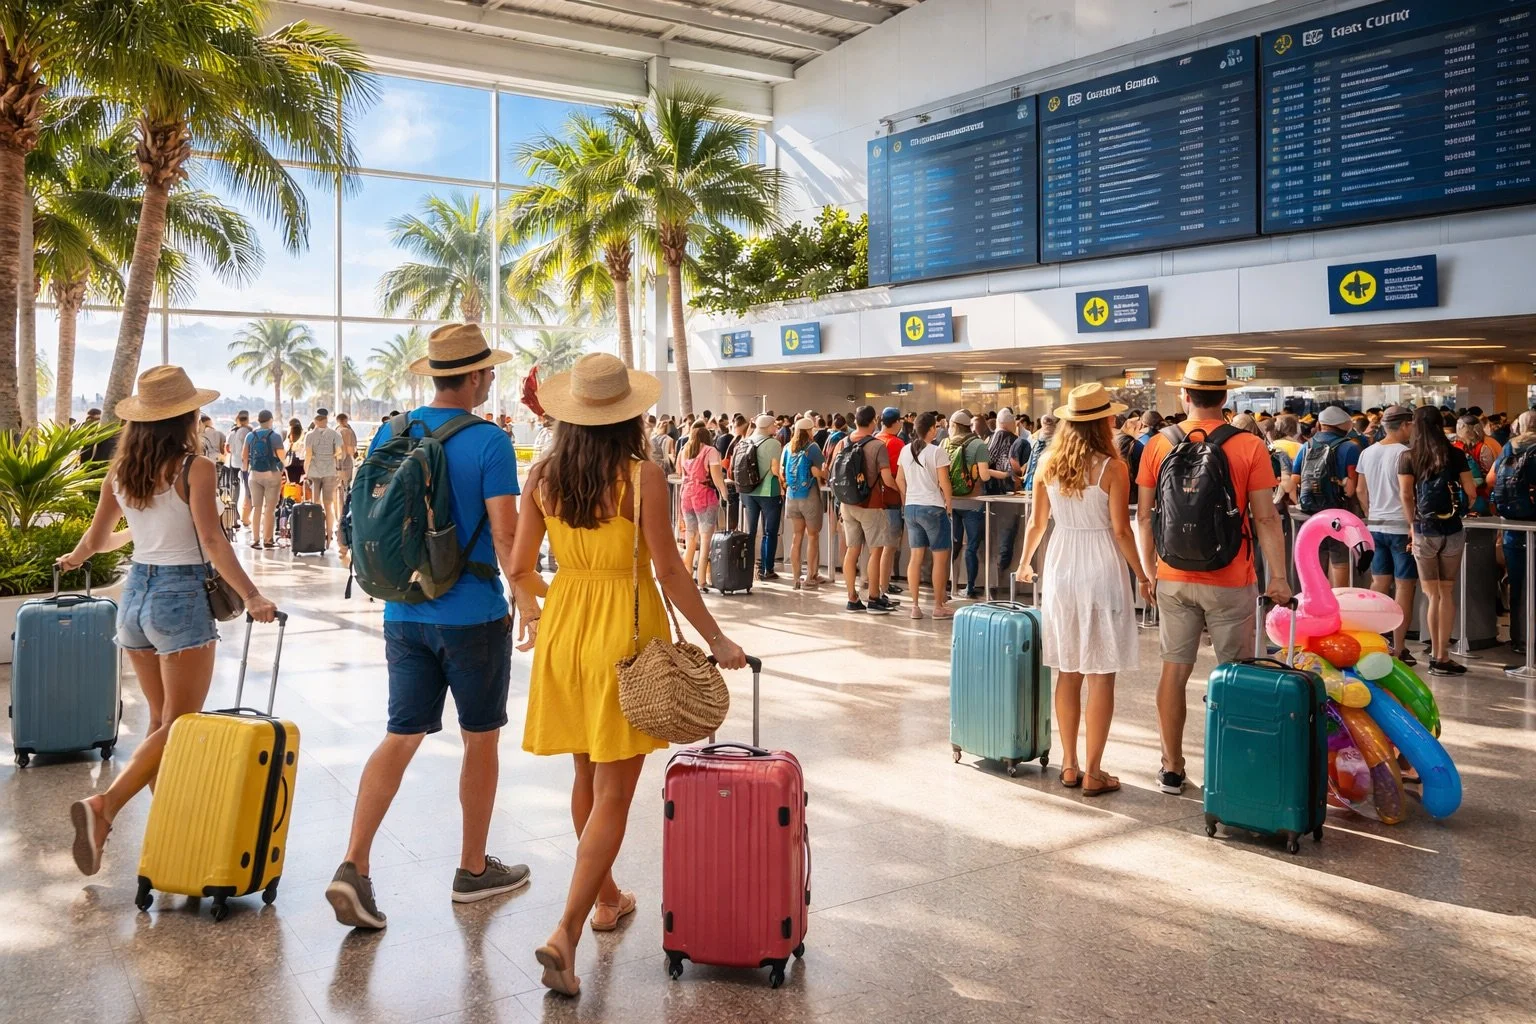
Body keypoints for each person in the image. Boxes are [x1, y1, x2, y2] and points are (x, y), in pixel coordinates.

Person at [509, 353, 747, 998]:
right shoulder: (641, 475)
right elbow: (669, 570)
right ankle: (565, 930)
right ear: (629, 416)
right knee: (613, 792)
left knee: (586, 773)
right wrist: (717, 639)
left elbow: (520, 566)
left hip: (567, 628)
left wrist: (541, 607)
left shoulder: (542, 475)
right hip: (623, 633)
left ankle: (607, 896)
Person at [327, 324, 530, 931]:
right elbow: (504, 535)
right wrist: (526, 595)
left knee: (401, 735)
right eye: (487, 372)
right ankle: (472, 870)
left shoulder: (392, 430)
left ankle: (354, 864)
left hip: (401, 611)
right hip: (471, 615)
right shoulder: (489, 442)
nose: (490, 380)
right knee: (480, 738)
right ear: (471, 378)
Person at [59, 366, 278, 877]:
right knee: (180, 724)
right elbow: (212, 542)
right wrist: (252, 594)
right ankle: (104, 808)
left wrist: (73, 559)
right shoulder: (193, 469)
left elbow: (100, 541)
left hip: (135, 597)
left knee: (161, 724)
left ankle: (169, 832)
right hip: (178, 600)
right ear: (186, 418)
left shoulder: (121, 473)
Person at [1137, 357, 1291, 795]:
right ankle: (1231, 768)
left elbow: (1145, 518)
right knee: (1233, 675)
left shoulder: (1157, 445)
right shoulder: (1249, 447)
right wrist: (1277, 577)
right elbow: (1265, 519)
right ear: (1225, 397)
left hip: (1173, 575)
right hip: (1231, 577)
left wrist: (1148, 573)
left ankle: (1171, 766)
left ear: (1184, 396)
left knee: (1174, 671)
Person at [1017, 384, 1147, 796]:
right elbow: (1121, 530)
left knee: (1067, 669)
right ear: (1101, 423)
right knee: (1101, 672)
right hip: (1101, 565)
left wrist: (1024, 563)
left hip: (1061, 563)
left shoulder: (1048, 463)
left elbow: (1037, 524)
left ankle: (1069, 766)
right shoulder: (1113, 468)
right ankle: (1094, 771)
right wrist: (1143, 574)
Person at [1399, 404, 1478, 677]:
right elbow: (1471, 491)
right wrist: (1461, 508)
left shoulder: (1408, 457)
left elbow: (1406, 495)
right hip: (1452, 530)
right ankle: (1442, 656)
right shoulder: (1455, 454)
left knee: (1431, 595)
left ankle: (1433, 654)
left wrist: (1412, 524)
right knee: (1446, 592)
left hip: (1423, 531)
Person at [1355, 406, 1417, 665]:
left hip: (1376, 526)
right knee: (1404, 585)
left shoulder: (1367, 452)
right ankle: (1400, 647)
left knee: (1378, 585)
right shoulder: (1406, 453)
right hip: (1402, 528)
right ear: (1404, 425)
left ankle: (1375, 642)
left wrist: (1372, 512)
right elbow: (1409, 494)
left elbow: (1360, 490)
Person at [833, 405, 899, 613]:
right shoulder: (877, 446)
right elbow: (887, 479)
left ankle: (852, 598)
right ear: (873, 422)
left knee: (852, 550)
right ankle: (873, 597)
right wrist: (901, 490)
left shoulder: (842, 442)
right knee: (875, 550)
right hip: (870, 504)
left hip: (847, 504)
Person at [1292, 406, 1362, 588]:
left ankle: (1319, 604)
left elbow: (1295, 478)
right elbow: (1351, 489)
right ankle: (1339, 603)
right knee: (1339, 560)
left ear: (1321, 425)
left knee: (1316, 559)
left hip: (1310, 513)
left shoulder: (1306, 447)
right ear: (1343, 425)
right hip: (1339, 513)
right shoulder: (1350, 448)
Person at [944, 410, 1011, 599]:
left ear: (954, 425)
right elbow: (983, 476)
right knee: (972, 547)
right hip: (974, 502)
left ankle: (948, 586)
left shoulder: (944, 443)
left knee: (952, 544)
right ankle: (970, 587)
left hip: (952, 501)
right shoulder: (978, 445)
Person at [897, 411, 953, 619]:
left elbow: (899, 480)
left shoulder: (905, 451)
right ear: (931, 429)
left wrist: (906, 499)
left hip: (912, 508)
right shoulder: (936, 452)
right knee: (940, 558)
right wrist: (949, 503)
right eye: (935, 427)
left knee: (916, 557)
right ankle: (938, 606)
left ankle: (915, 606)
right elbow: (944, 482)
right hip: (933, 508)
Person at [1493, 411, 1536, 655]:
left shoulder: (1509, 448)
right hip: (1533, 522)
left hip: (1512, 525)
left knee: (1518, 582)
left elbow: (1491, 479)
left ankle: (1519, 639)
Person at [677, 422, 726, 592]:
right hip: (704, 496)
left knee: (690, 537)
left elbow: (680, 472)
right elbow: (717, 477)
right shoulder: (710, 451)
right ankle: (702, 579)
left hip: (686, 495)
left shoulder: (684, 451)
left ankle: (687, 573)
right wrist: (725, 494)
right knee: (706, 539)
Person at [781, 416, 827, 590]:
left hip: (792, 497)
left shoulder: (787, 447)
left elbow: (781, 471)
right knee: (813, 536)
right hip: (810, 497)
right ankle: (810, 576)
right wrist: (818, 473)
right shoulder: (813, 447)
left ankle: (795, 578)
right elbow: (824, 472)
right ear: (809, 431)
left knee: (797, 536)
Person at [739, 414, 786, 582]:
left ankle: (748, 567)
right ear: (767, 426)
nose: (776, 427)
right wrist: (782, 481)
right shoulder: (773, 443)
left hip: (748, 491)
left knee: (751, 531)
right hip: (768, 491)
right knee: (770, 532)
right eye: (774, 425)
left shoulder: (745, 440)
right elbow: (774, 469)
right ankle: (767, 568)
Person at [987, 408, 1024, 581]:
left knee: (992, 540)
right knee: (1006, 539)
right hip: (1010, 496)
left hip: (990, 496)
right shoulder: (1016, 441)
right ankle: (1002, 578)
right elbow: (1018, 470)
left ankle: (993, 581)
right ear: (1010, 424)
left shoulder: (989, 440)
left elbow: (986, 465)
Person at [243, 410, 287, 549]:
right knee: (269, 509)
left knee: (257, 508)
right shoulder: (275, 436)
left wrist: (245, 471)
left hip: (254, 475)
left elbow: (244, 457)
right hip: (271, 475)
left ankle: (255, 539)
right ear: (270, 420)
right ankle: (268, 540)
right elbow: (282, 457)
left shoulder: (250, 435)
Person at [877, 408, 907, 597]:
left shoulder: (873, 440)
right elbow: (897, 476)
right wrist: (903, 492)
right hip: (891, 500)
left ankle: (879, 583)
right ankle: (883, 586)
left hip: (873, 501)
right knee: (889, 545)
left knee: (877, 547)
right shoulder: (896, 443)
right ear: (896, 422)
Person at [305, 407, 344, 542]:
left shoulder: (309, 435)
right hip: (330, 471)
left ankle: (317, 532)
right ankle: (329, 534)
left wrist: (306, 471)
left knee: (315, 503)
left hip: (314, 472)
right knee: (329, 504)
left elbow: (308, 455)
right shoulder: (335, 434)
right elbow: (339, 453)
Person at [227, 410, 252, 525]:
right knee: (248, 490)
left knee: (234, 491)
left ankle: (234, 518)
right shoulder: (248, 432)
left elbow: (227, 448)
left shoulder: (232, 432)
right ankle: (246, 518)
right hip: (245, 464)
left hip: (233, 463)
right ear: (247, 419)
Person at [335, 412, 358, 495]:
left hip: (336, 462)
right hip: (346, 462)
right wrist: (355, 455)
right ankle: (344, 505)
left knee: (337, 486)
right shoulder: (347, 431)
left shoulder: (335, 430)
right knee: (346, 486)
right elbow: (350, 449)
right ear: (346, 420)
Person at [284, 418, 306, 496]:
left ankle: (292, 500)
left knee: (291, 485)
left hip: (290, 465)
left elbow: (285, 449)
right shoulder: (304, 434)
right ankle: (300, 501)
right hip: (302, 464)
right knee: (300, 485)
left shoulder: (289, 435)